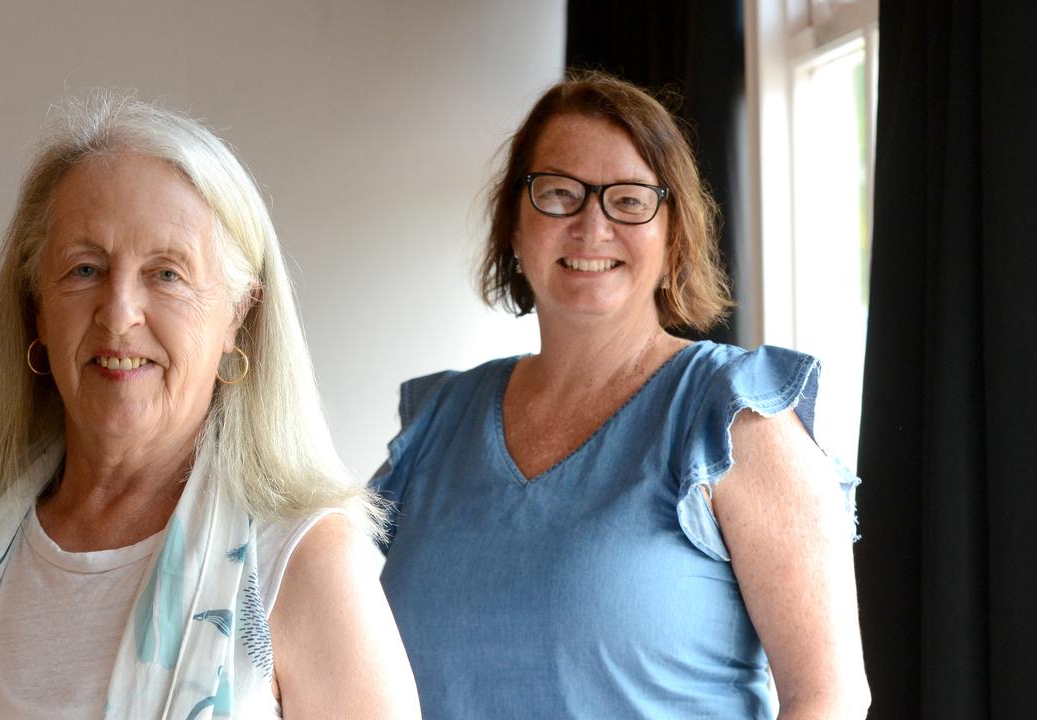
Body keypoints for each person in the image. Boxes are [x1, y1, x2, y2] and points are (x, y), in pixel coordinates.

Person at [0, 92, 420, 719]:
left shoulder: (305, 562)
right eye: (85, 269)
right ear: (35, 308)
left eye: (167, 273)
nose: (119, 314)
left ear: (239, 315)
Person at [372, 72, 870, 719]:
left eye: (629, 201)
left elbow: (828, 698)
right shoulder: (438, 421)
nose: (591, 225)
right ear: (514, 227)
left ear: (674, 237)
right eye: (558, 193)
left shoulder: (734, 417)